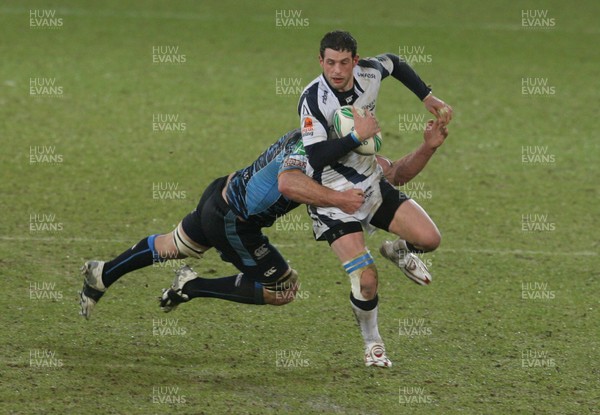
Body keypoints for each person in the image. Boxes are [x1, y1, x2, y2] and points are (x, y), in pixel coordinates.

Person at [78, 129, 365, 319]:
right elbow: (289, 184)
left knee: (171, 245)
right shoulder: (310, 152)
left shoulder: (307, 133)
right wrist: (339, 200)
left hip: (219, 195)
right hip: (234, 221)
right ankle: (193, 286)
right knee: (282, 289)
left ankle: (103, 273)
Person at [297, 30, 453, 367]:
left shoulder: (369, 72)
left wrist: (427, 96)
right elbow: (315, 156)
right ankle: (373, 343)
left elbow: (394, 63)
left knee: (429, 239)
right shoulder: (313, 98)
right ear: (320, 61)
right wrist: (356, 136)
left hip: (371, 182)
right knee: (365, 280)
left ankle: (397, 250)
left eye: (343, 63)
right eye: (329, 63)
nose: (336, 71)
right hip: (333, 199)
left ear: (355, 61)